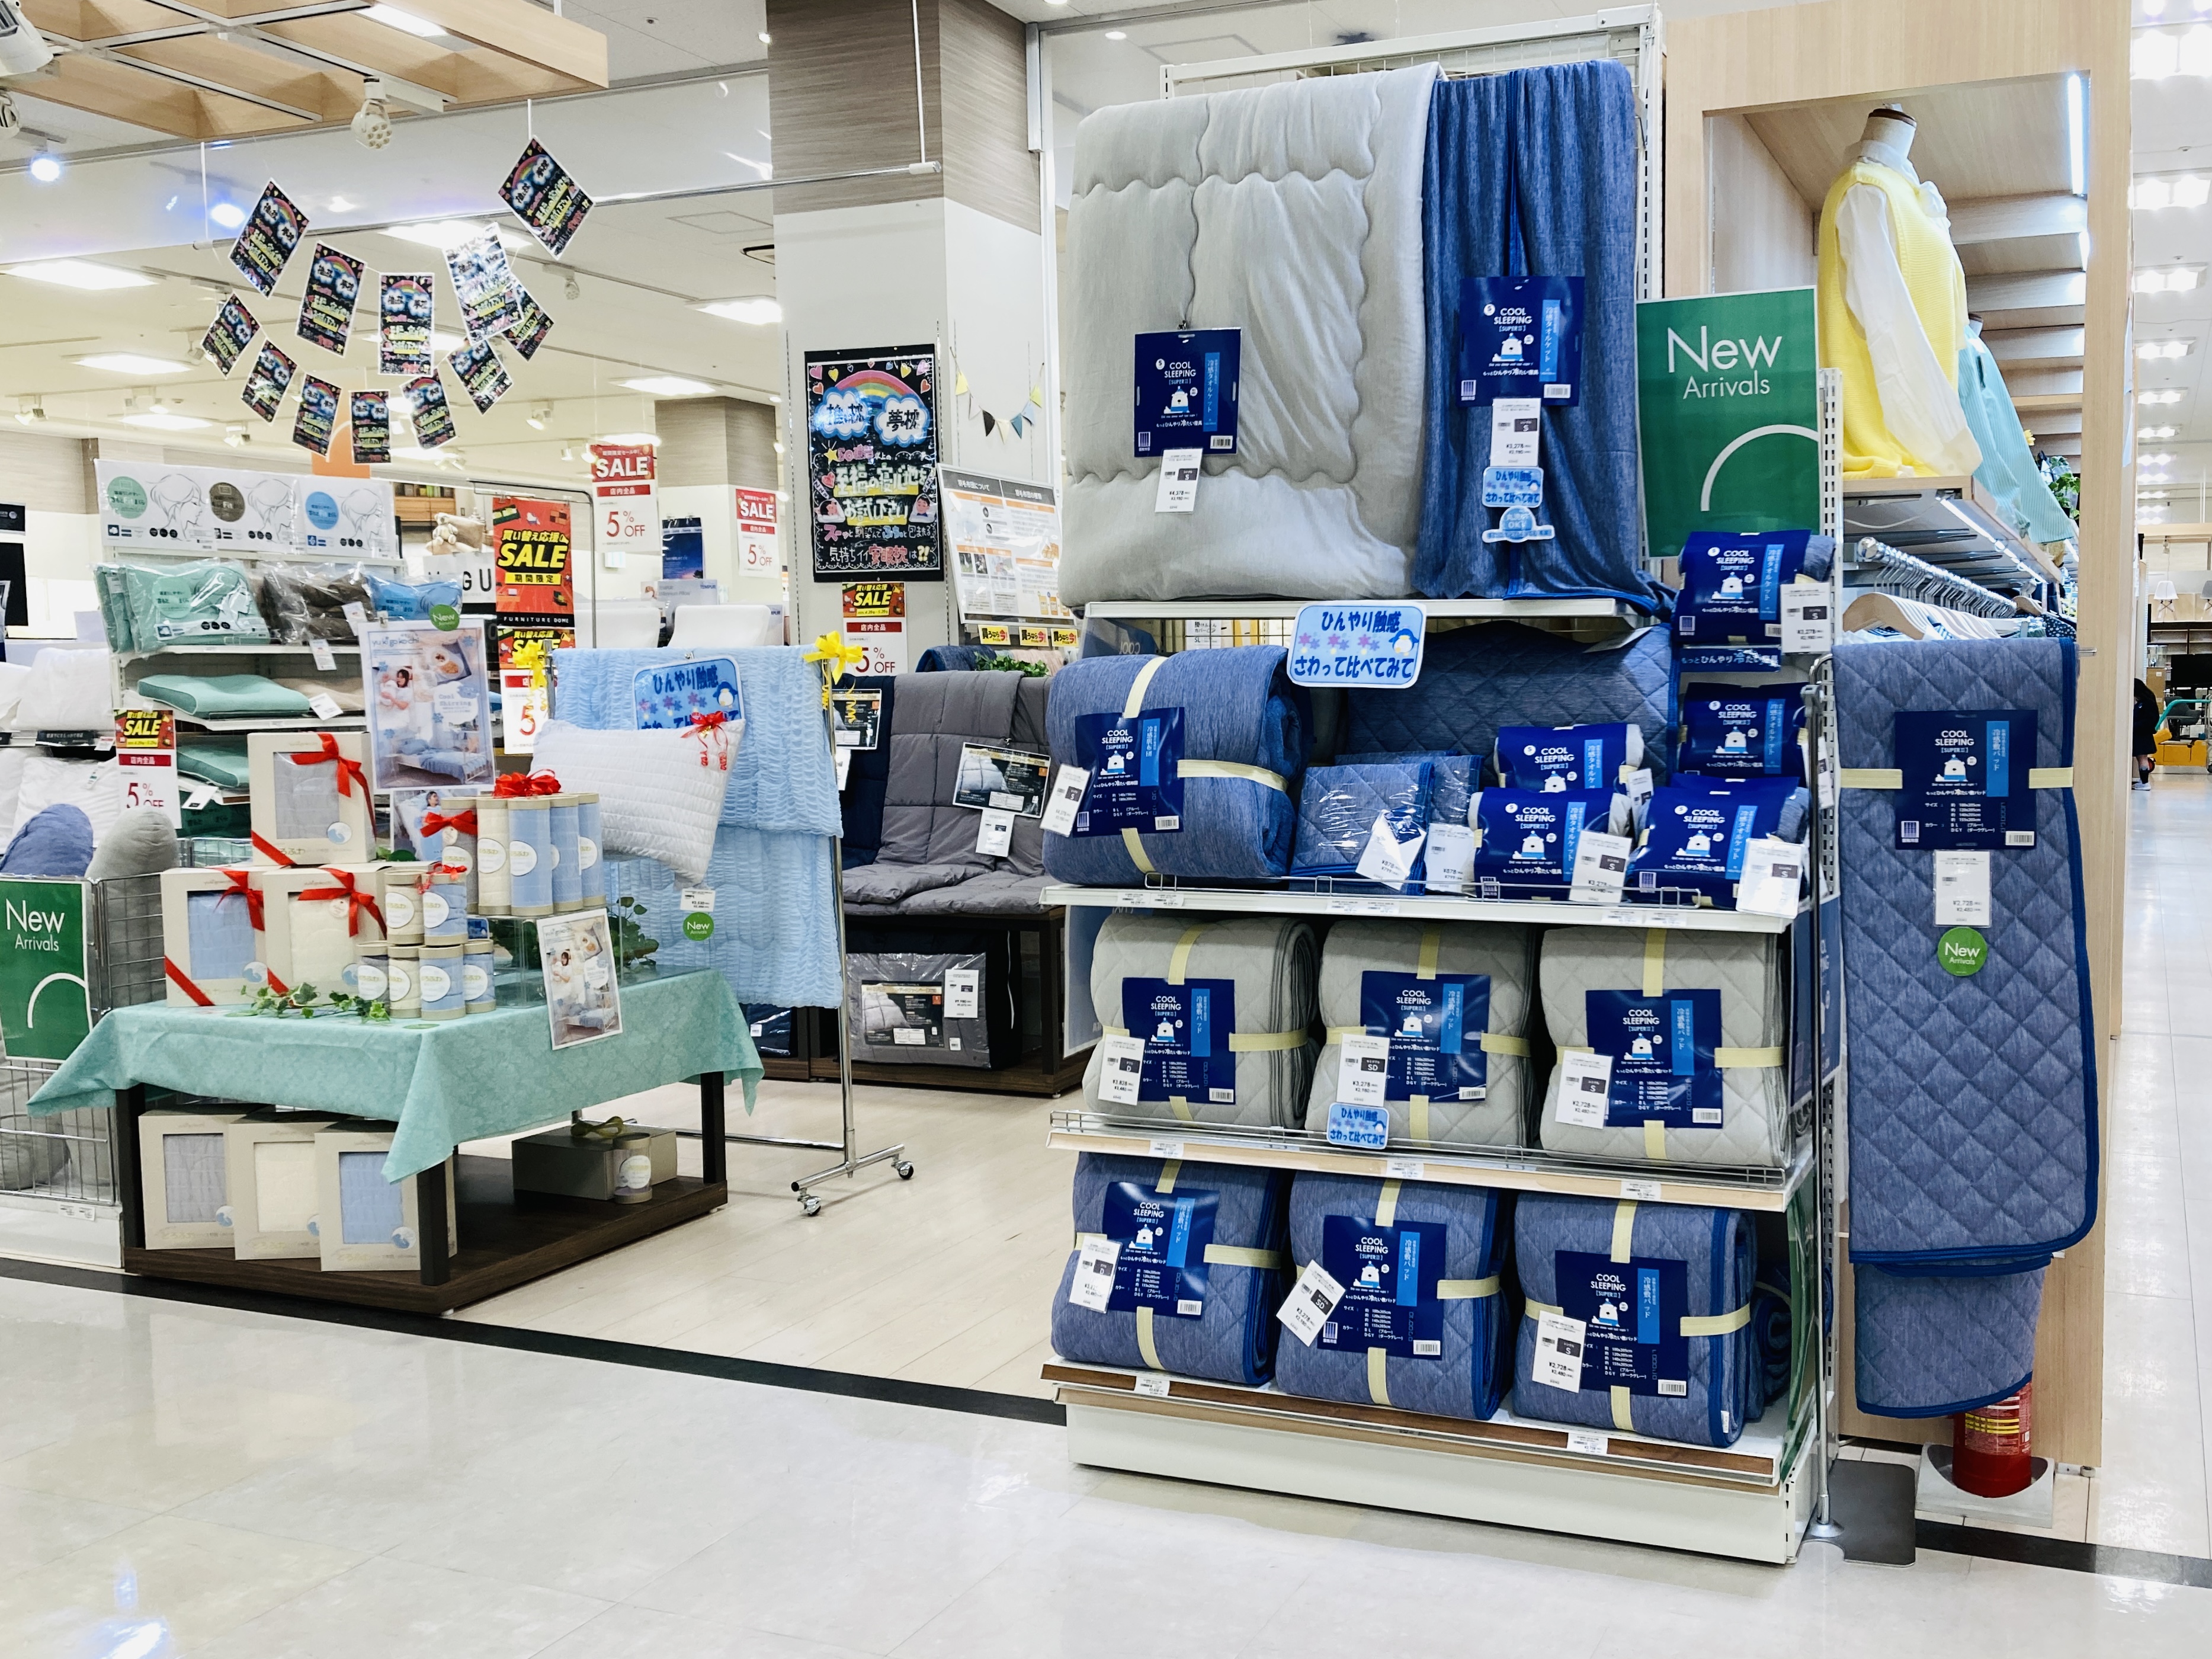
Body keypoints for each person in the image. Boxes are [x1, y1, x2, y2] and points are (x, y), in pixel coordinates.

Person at [2134, 679, 2163, 789]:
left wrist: (2135, 725)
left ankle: (2145, 783)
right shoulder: (2143, 702)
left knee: (2142, 758)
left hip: (2143, 734)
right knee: (2141, 758)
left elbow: (2150, 720)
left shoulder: (2147, 703)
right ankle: (2143, 780)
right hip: (2141, 734)